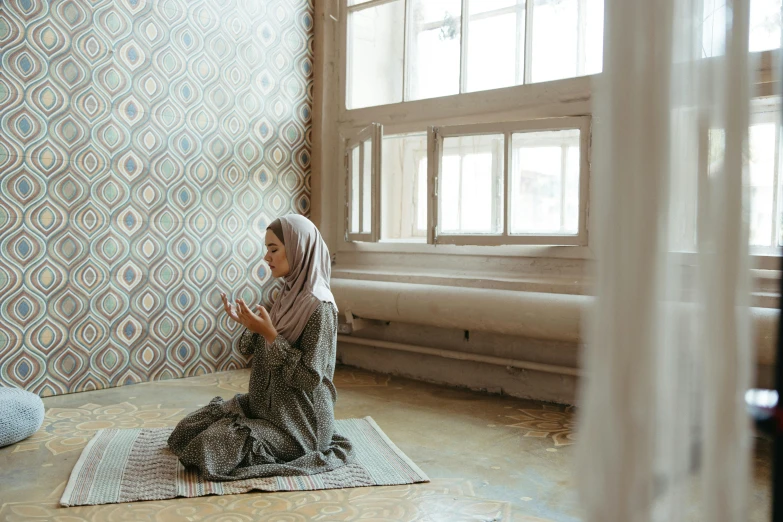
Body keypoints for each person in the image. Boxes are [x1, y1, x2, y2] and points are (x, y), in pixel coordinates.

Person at [167, 214, 353, 481]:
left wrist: (269, 334)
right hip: (267, 407)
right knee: (186, 430)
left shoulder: (319, 308)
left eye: (274, 249)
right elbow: (247, 349)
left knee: (209, 446)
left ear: (298, 248)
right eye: (267, 249)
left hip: (299, 425)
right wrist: (251, 326)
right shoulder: (287, 295)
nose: (267, 258)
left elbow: (308, 378)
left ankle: (270, 439)